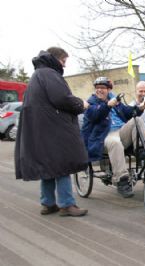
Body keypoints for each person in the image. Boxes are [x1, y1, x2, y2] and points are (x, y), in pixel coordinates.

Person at [15, 47, 88, 217]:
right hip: (54, 130)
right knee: (62, 164)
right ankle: (67, 204)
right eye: (63, 61)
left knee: (48, 166)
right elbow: (62, 99)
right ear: (55, 59)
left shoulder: (38, 75)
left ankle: (48, 203)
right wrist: (80, 104)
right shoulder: (49, 74)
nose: (64, 66)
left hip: (41, 130)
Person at [81, 77, 145, 198]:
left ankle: (141, 151)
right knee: (115, 143)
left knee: (137, 120)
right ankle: (121, 180)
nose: (99, 90)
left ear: (109, 89)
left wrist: (139, 108)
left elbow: (127, 112)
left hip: (120, 131)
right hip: (103, 136)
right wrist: (107, 105)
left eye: (103, 88)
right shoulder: (90, 102)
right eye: (97, 88)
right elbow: (95, 116)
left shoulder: (115, 100)